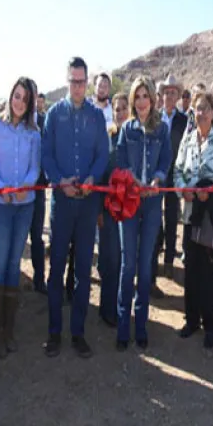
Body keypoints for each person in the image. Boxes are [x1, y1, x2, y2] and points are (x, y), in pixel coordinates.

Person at [41, 57, 109, 359]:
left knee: (83, 269)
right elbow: (46, 155)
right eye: (73, 81)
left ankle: (78, 332)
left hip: (88, 203)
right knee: (57, 267)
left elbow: (102, 154)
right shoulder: (54, 115)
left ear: (87, 81)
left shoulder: (96, 116)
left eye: (82, 81)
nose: (78, 86)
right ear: (67, 81)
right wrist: (60, 181)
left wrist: (93, 177)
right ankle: (55, 331)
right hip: (63, 202)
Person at [0, 78, 41, 359]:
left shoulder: (33, 133)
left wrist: (23, 189)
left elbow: (34, 169)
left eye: (25, 99)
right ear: (11, 96)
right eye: (17, 96)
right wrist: (2, 188)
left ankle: (9, 328)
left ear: (30, 103)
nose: (19, 102)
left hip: (24, 205)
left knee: (14, 263)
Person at [115, 76, 171, 351]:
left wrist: (157, 181)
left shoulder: (163, 128)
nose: (140, 102)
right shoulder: (126, 129)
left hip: (151, 204)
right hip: (130, 201)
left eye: (144, 96)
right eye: (136, 97)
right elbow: (121, 160)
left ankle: (141, 326)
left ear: (152, 98)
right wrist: (133, 180)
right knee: (128, 265)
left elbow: (165, 160)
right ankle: (123, 325)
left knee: (146, 264)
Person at [174, 92, 213, 349]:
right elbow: (177, 170)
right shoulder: (186, 141)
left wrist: (211, 191)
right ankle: (192, 320)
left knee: (210, 272)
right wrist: (184, 189)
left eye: (206, 108)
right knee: (191, 269)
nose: (202, 113)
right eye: (198, 109)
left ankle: (210, 325)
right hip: (190, 213)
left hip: (212, 216)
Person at [97, 93, 129, 327]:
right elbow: (100, 175)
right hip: (108, 210)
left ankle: (122, 307)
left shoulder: (136, 137)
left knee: (125, 262)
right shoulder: (107, 139)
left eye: (123, 109)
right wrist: (99, 209)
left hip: (130, 211)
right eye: (116, 109)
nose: (119, 113)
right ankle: (107, 308)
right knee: (110, 261)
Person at [155, 74, 187, 279]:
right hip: (156, 175)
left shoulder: (184, 120)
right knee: (154, 216)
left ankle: (168, 260)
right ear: (161, 95)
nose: (169, 95)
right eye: (166, 92)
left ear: (177, 96)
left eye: (173, 92)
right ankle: (155, 255)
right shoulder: (154, 118)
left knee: (172, 218)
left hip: (174, 174)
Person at [29, 83, 49, 295]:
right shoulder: (15, 121)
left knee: (36, 236)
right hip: (16, 191)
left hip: (38, 189)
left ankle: (39, 278)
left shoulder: (45, 121)